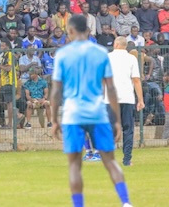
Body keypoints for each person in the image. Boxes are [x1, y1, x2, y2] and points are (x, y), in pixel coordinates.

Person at [50, 14, 133, 207]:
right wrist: (117, 121)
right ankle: (126, 202)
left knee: (74, 166)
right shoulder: (101, 53)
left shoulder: (63, 54)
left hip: (72, 115)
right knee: (110, 161)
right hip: (98, 113)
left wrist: (54, 120)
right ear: (88, 31)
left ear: (70, 31)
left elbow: (56, 91)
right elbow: (110, 89)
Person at [107, 36, 144, 166]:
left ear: (116, 45)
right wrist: (140, 100)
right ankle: (127, 159)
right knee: (128, 129)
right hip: (127, 98)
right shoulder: (131, 58)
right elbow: (136, 80)